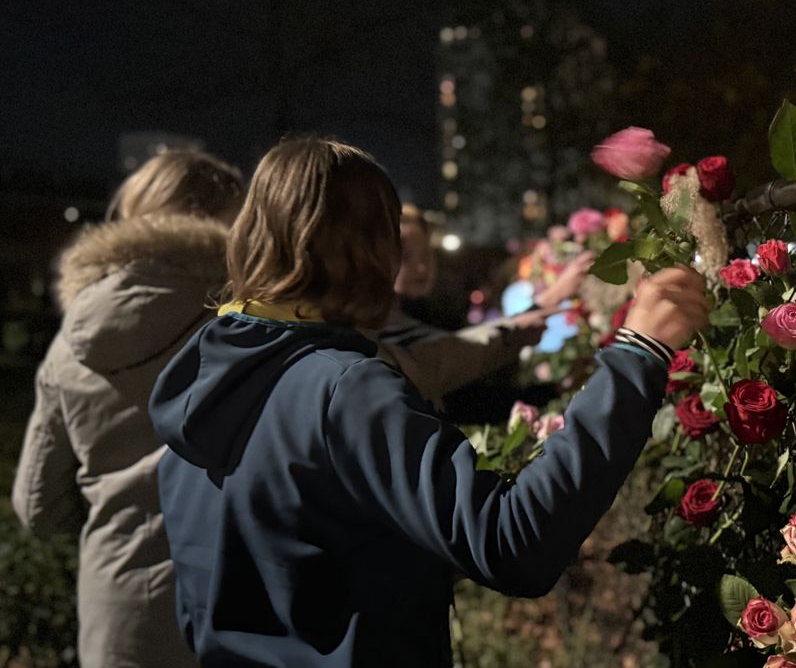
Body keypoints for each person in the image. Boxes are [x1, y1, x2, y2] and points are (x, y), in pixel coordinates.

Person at [149, 137, 709, 666]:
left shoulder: (205, 382)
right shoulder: (343, 389)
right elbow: (513, 540)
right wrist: (638, 353)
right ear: (373, 250)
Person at [11, 150, 246, 668]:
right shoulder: (254, 326)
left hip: (120, 625)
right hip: (243, 613)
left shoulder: (68, 344)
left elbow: (37, 506)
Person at [380, 204, 593, 409]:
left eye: (426, 253)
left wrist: (555, 389)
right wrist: (548, 300)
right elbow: (456, 358)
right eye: (406, 256)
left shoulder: (429, 312)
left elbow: (468, 396)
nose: (422, 267)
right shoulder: (384, 328)